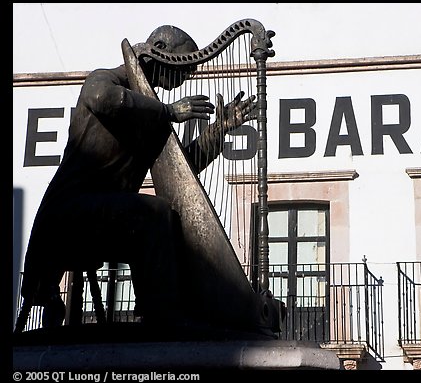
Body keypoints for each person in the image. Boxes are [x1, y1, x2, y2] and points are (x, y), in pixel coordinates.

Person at [17, 25, 257, 329]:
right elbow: (101, 97)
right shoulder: (106, 79)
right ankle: (161, 315)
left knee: (172, 221)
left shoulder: (152, 114)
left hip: (103, 217)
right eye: (183, 66)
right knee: (154, 213)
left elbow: (182, 173)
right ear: (158, 50)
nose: (186, 76)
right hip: (67, 216)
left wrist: (218, 130)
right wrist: (168, 111)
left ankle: (173, 309)